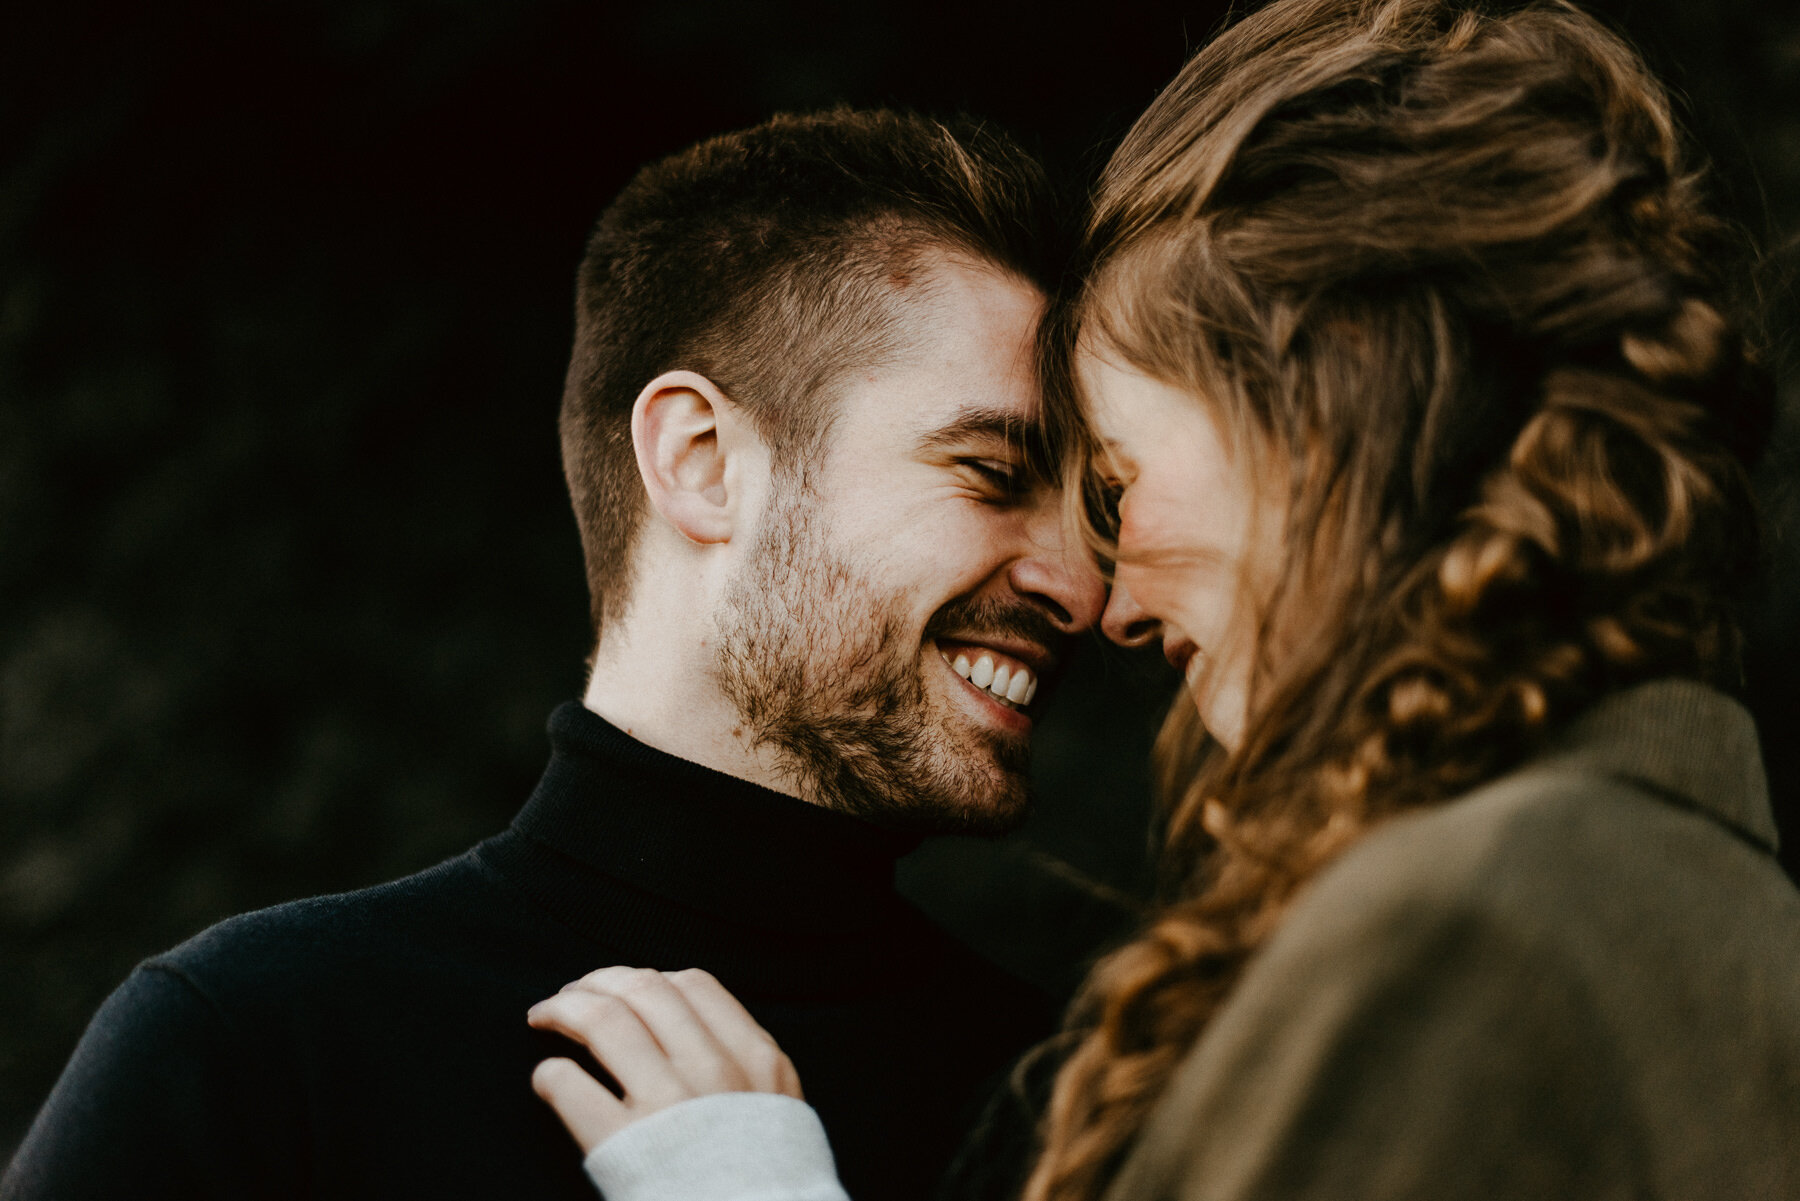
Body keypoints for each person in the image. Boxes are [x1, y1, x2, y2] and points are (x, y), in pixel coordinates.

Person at [520, 2, 1800, 1198]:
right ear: (694, 460)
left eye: (1118, 483)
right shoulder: (1682, 899)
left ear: (1322, 412)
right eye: (991, 473)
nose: (1102, 601)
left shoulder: (1467, 927)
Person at [2, 109, 1106, 1201]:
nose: (1082, 586)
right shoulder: (256, 1048)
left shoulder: (1078, 1110)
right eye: (994, 474)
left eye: (1097, 511)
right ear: (703, 461)